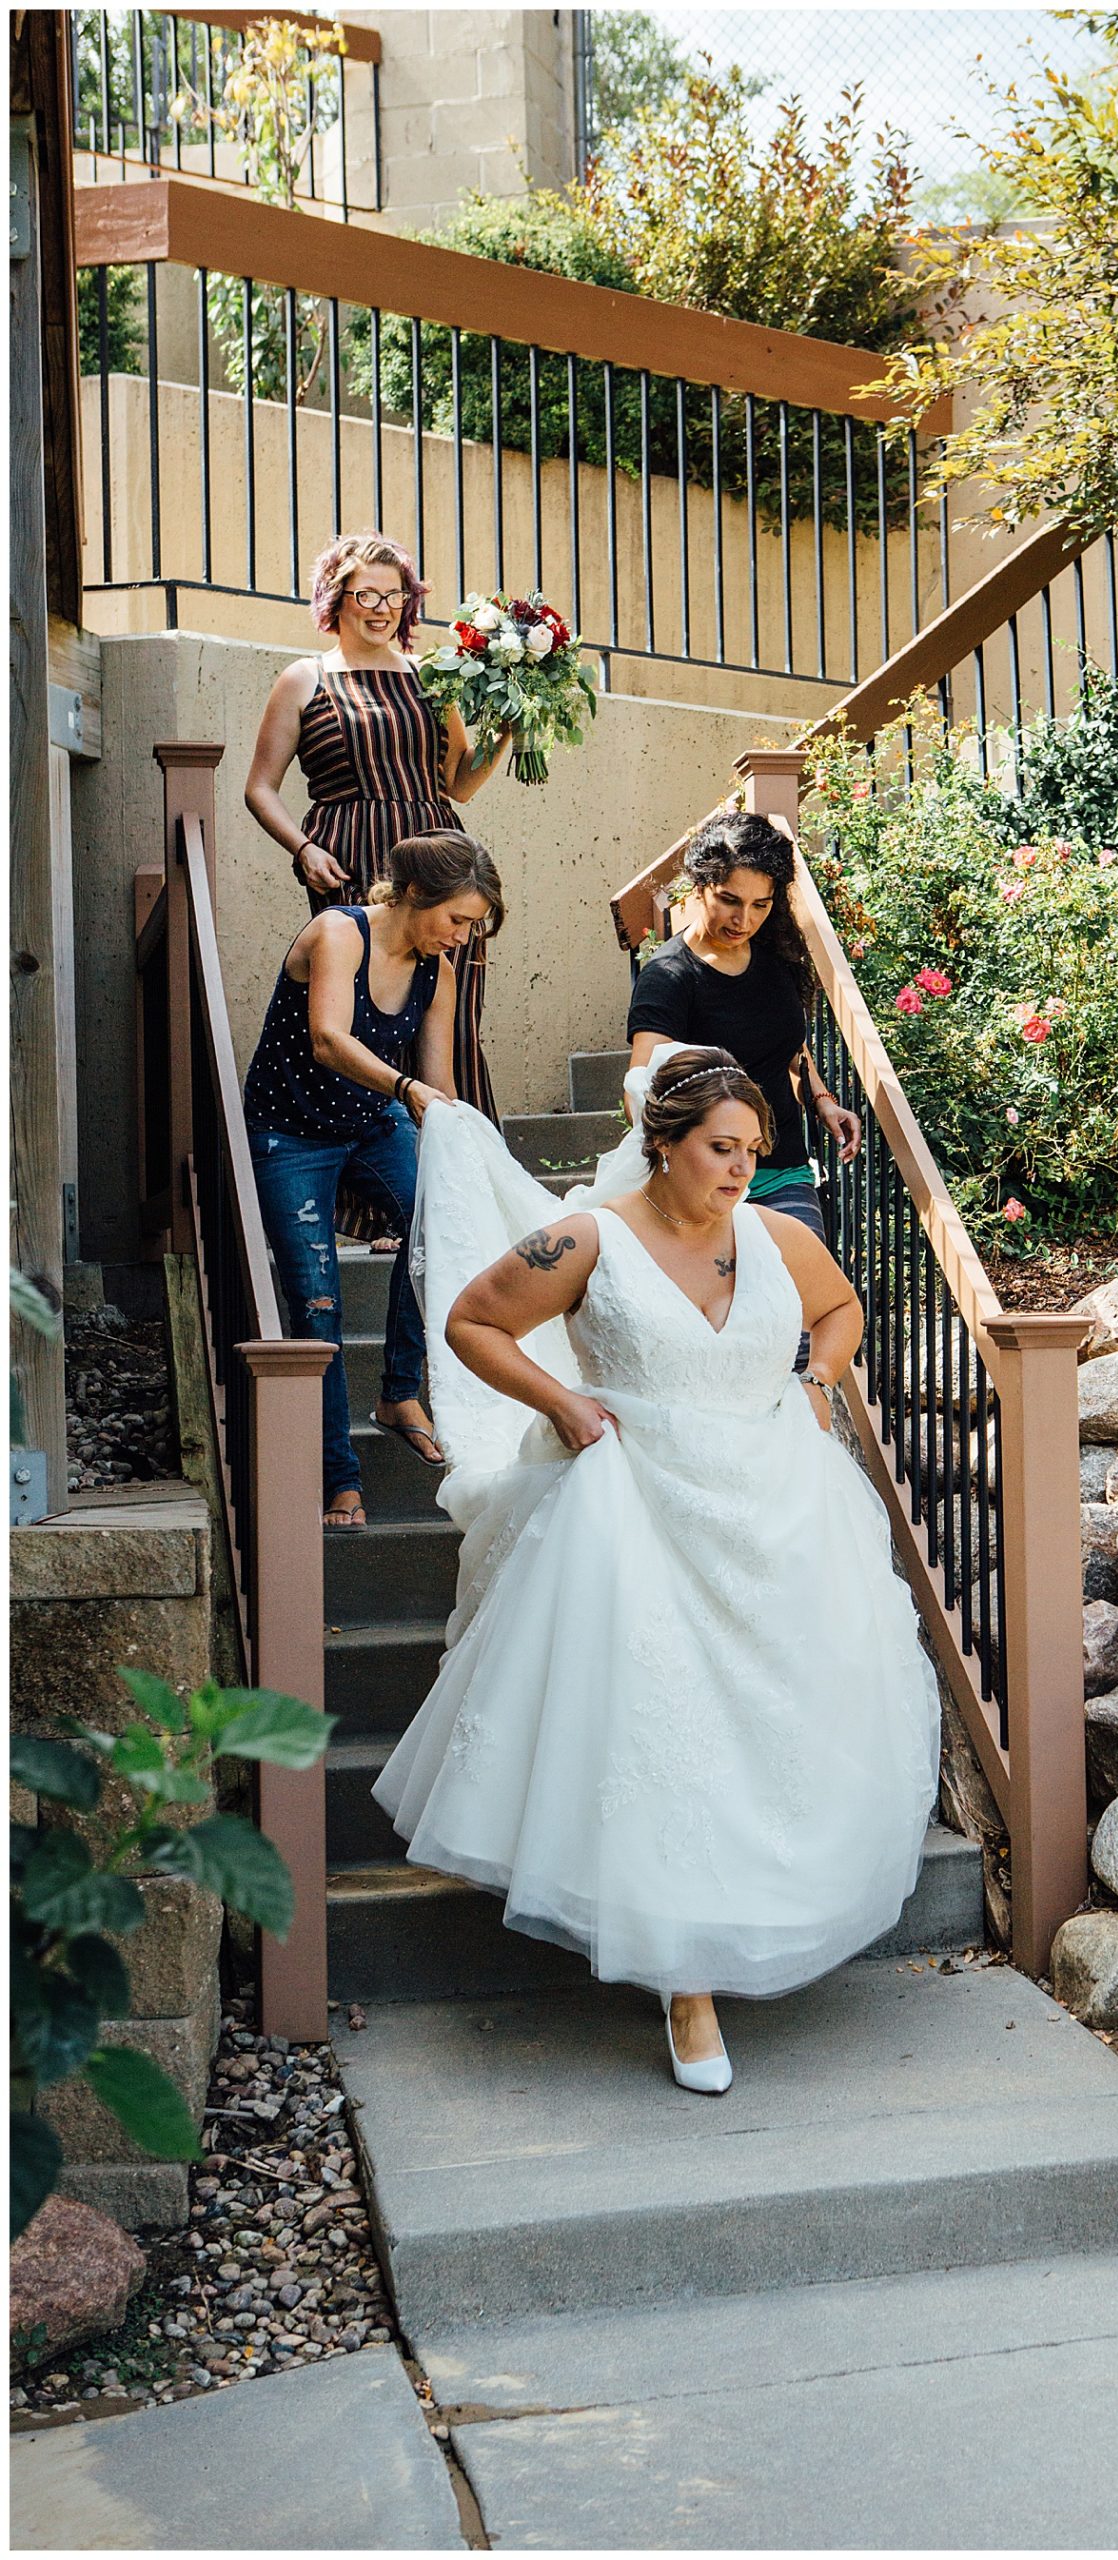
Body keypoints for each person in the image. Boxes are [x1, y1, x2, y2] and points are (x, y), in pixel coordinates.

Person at [374, 1045, 941, 2094]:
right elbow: (469, 1321)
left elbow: (841, 1308)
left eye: (753, 1151)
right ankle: (687, 1985)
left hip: (775, 1507)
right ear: (664, 1143)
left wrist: (817, 1376)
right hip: (636, 1508)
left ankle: (765, 1910)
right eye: (722, 1149)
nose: (740, 1170)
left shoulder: (776, 1234)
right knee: (666, 1730)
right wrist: (564, 1402)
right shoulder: (590, 1237)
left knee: (776, 1724)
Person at [243, 530, 509, 1244]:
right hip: (351, 860)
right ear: (337, 599)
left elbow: (460, 783)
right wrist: (302, 849)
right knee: (361, 1021)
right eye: (366, 592)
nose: (382, 607)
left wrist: (510, 734)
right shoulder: (305, 679)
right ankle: (372, 1211)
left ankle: (448, 1190)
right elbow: (259, 789)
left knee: (445, 1022)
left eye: (394, 595)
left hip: (440, 855)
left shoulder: (431, 677)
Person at [243, 830, 505, 1530]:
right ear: (415, 894)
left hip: (373, 1120)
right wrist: (404, 1087)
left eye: (472, 925)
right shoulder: (337, 933)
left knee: (439, 1230)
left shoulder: (437, 969)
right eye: (456, 919)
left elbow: (440, 1086)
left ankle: (397, 1391)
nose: (461, 936)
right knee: (318, 1307)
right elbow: (328, 1038)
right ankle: (339, 1479)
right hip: (289, 1132)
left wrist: (454, 1151)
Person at [625, 810, 862, 1241]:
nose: (744, 920)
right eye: (730, 900)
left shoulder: (777, 956)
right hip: (706, 1183)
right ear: (700, 888)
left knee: (802, 1295)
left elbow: (788, 1045)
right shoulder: (669, 977)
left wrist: (823, 1099)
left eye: (760, 905)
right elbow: (639, 1089)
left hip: (783, 1170)